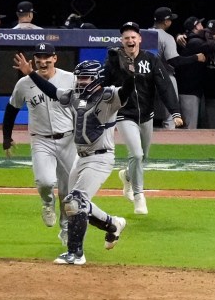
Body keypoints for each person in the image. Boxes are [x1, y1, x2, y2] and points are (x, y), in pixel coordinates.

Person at [12, 55, 128, 266]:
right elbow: (51, 91)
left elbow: (127, 89)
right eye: (79, 78)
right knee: (71, 204)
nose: (81, 82)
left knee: (76, 202)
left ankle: (76, 253)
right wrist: (30, 73)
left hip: (100, 158)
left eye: (86, 78)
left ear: (96, 79)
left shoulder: (110, 96)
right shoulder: (75, 97)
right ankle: (113, 224)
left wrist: (127, 70)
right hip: (81, 157)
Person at [103, 21, 182, 215]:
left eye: (133, 37)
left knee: (143, 156)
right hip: (123, 114)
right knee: (136, 154)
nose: (130, 40)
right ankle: (139, 196)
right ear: (122, 41)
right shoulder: (114, 60)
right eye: (126, 38)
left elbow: (164, 86)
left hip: (146, 115)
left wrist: (175, 112)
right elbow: (104, 86)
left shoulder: (151, 59)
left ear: (139, 39)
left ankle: (127, 176)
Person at [2, 43, 76, 246]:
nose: (43, 61)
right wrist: (6, 138)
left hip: (68, 140)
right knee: (44, 182)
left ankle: (66, 229)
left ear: (55, 58)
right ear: (34, 59)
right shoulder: (24, 83)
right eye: (39, 58)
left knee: (67, 191)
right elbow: (11, 109)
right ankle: (47, 202)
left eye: (47, 57)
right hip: (41, 140)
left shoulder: (69, 79)